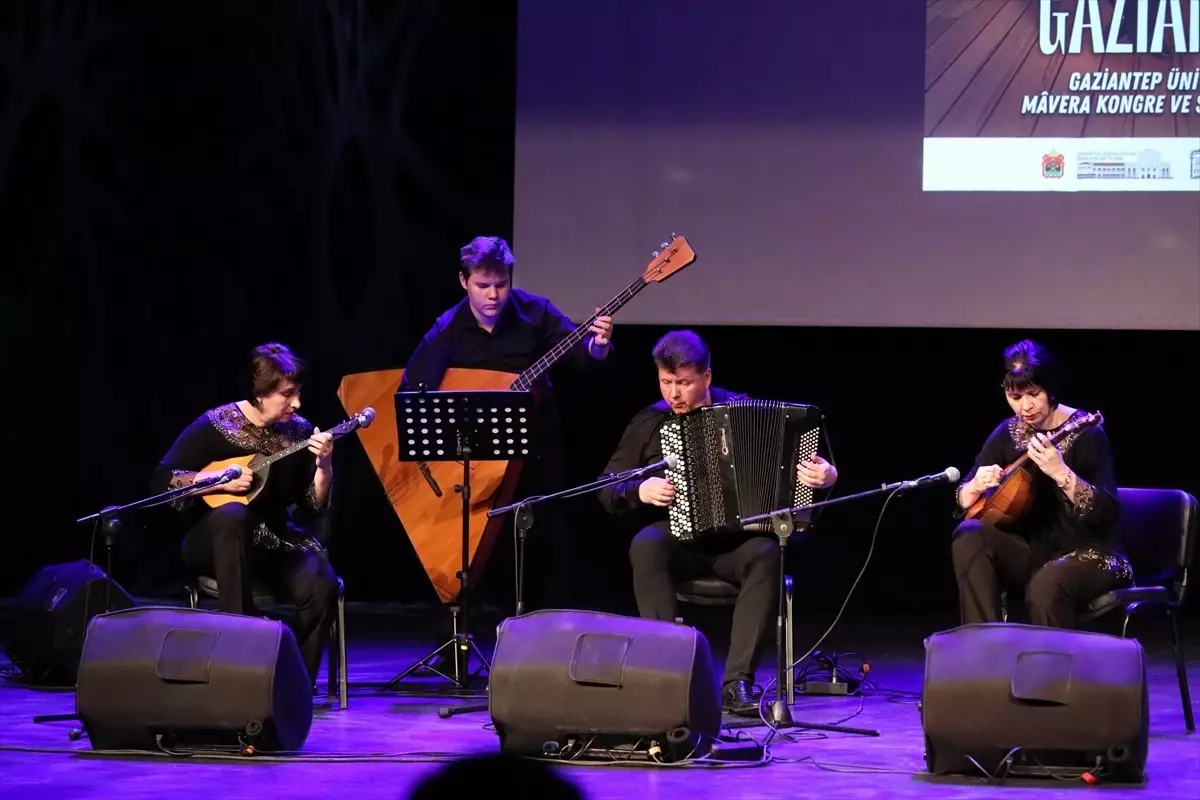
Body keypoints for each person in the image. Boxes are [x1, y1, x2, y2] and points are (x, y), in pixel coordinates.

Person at [597, 330, 838, 715]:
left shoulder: (745, 410)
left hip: (737, 546)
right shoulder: (650, 422)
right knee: (646, 543)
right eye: (666, 382)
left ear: (706, 378)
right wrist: (640, 489)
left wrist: (826, 476)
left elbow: (806, 470)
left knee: (767, 552)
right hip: (680, 540)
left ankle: (737, 683)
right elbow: (608, 485)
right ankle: (666, 672)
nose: (673, 394)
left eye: (684, 383)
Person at [399, 235, 613, 611]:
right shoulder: (447, 328)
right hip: (475, 455)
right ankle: (461, 636)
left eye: (501, 284)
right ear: (464, 282)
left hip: (536, 445)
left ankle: (543, 633)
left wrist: (597, 345)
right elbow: (414, 390)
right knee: (474, 544)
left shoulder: (536, 312)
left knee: (544, 534)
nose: (493, 295)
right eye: (483, 286)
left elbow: (582, 356)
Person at [150, 342, 339, 686]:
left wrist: (324, 465)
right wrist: (208, 482)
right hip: (214, 540)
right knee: (233, 515)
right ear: (259, 393)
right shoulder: (216, 423)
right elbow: (162, 480)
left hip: (272, 540)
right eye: (287, 394)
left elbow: (313, 504)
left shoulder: (298, 430)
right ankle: (235, 659)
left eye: (298, 393)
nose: (296, 403)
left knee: (320, 581)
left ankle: (293, 684)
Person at [951, 339, 1130, 629]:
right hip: (1038, 554)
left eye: (1033, 394)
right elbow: (964, 497)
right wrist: (974, 487)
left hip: (1095, 554)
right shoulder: (1008, 432)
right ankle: (984, 647)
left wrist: (1061, 473)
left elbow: (1107, 512)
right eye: (1015, 396)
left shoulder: (1087, 431)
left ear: (1051, 389)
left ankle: (1054, 673)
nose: (1026, 406)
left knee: (1045, 585)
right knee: (970, 535)